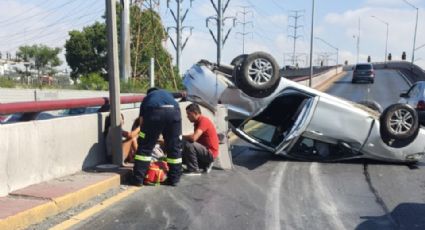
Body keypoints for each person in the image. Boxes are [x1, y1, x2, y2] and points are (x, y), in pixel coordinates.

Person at [131, 87, 182, 186]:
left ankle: (138, 179)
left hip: (154, 112)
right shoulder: (168, 95)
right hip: (174, 112)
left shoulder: (148, 99)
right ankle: (174, 179)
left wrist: (145, 136)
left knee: (145, 148)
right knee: (174, 146)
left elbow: (142, 122)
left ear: (149, 93)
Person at [182, 103, 219, 175]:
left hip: (210, 153)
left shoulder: (203, 121)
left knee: (189, 144)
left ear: (195, 113)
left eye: (189, 114)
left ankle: (194, 170)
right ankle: (204, 165)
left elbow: (193, 138)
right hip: (204, 152)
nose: (187, 116)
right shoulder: (197, 122)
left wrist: (181, 136)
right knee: (181, 156)